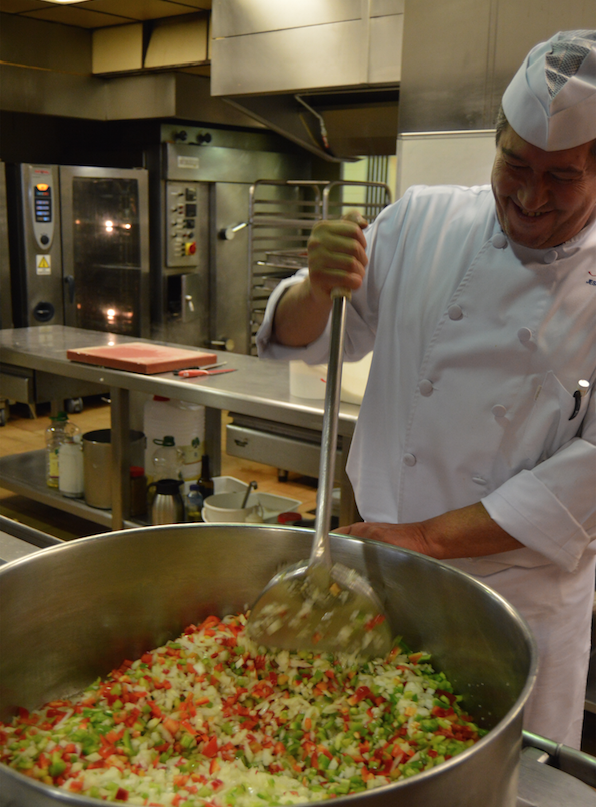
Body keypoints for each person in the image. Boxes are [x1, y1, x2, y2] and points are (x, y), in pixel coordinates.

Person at [256, 30, 596, 750]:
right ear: (497, 144)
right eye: (515, 164)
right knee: (353, 755)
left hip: (514, 600)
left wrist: (425, 537)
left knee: (499, 776)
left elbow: (588, 475)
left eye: (561, 178)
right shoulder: (422, 221)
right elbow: (312, 335)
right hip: (370, 575)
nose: (531, 197)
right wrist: (317, 286)